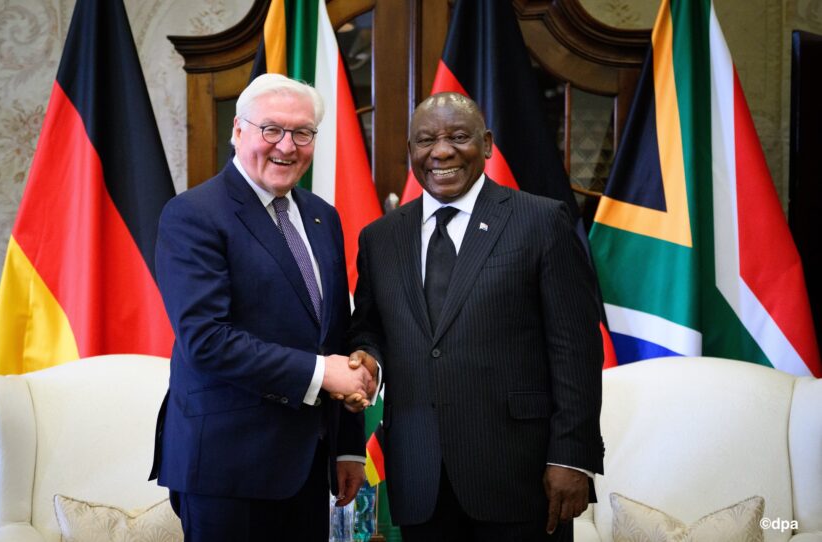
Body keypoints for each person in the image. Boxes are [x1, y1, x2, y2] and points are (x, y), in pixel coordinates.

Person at [347, 92, 604, 541]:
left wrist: (571, 456)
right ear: (411, 153)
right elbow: (371, 327)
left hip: (520, 476)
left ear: (486, 144)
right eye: (426, 140)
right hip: (419, 474)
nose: (441, 151)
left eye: (458, 137)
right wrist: (367, 358)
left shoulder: (540, 221)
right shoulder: (380, 238)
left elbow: (575, 349)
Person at [149, 73, 376, 541]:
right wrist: (321, 374)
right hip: (227, 467)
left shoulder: (320, 215)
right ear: (238, 130)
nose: (287, 146)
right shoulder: (193, 214)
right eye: (271, 129)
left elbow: (332, 334)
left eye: (302, 133)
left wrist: (348, 448)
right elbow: (206, 341)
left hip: (308, 465)